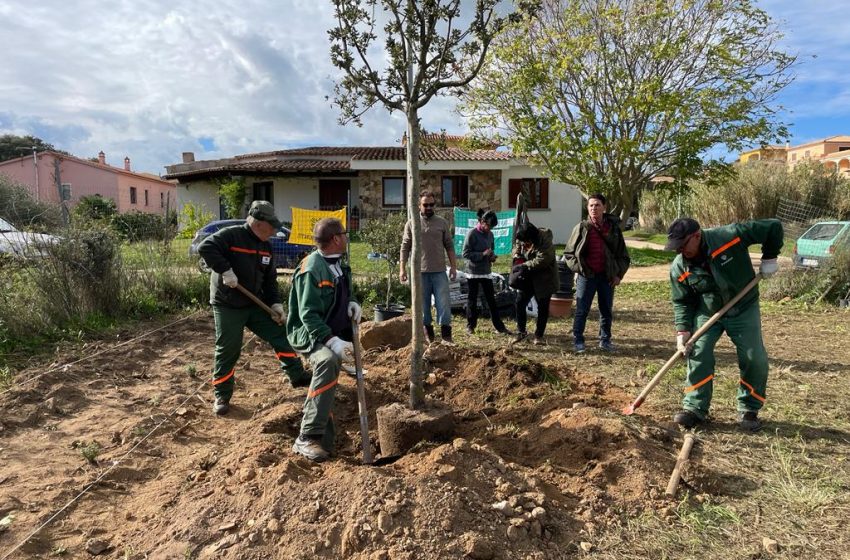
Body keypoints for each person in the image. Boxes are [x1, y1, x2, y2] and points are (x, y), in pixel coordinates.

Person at [665, 217, 783, 432]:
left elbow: (773, 227)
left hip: (743, 306)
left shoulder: (728, 236)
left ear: (697, 236)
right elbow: (682, 301)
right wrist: (683, 331)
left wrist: (770, 257)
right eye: (676, 247)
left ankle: (749, 409)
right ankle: (695, 408)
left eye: (683, 245)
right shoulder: (680, 266)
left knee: (753, 357)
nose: (680, 251)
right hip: (708, 311)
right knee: (698, 352)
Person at [198, 200, 308, 416]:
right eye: (271, 227)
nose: (274, 231)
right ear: (259, 224)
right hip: (228, 302)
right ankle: (222, 394)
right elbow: (206, 247)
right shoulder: (232, 235)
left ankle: (297, 375)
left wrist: (275, 303)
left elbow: (269, 280)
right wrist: (225, 270)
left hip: (254, 301)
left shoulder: (266, 246)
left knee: (280, 334)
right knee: (229, 348)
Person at [287, 217, 362, 462]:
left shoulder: (337, 263)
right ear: (336, 239)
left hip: (330, 327)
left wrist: (352, 302)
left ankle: (326, 443)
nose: (347, 238)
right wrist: (331, 341)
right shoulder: (311, 269)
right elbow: (307, 316)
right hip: (309, 331)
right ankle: (306, 437)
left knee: (336, 366)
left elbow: (344, 290)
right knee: (328, 362)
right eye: (344, 234)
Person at [563, 193, 630, 353]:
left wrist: (618, 275)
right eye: (591, 205)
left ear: (604, 208)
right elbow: (569, 254)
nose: (594, 208)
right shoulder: (581, 228)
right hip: (587, 276)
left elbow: (623, 255)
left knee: (606, 310)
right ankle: (578, 340)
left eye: (597, 205)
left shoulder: (613, 229)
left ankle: (605, 340)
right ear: (587, 208)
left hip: (607, 277)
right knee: (582, 310)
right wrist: (580, 269)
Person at [400, 190, 458, 344]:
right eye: (425, 205)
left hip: (439, 271)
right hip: (419, 273)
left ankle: (446, 335)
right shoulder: (412, 223)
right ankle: (428, 336)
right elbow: (405, 247)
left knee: (444, 303)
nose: (429, 207)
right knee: (422, 305)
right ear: (419, 205)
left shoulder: (442, 222)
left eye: (432, 204)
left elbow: (449, 246)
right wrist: (402, 269)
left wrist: (453, 267)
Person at [462, 209, 513, 336]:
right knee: (472, 300)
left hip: (486, 271)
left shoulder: (490, 235)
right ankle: (470, 326)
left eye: (492, 227)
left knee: (491, 300)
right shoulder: (472, 233)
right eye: (488, 226)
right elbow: (465, 253)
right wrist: (482, 254)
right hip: (473, 272)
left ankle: (499, 327)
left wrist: (492, 256)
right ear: (482, 221)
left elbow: (491, 249)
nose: (489, 229)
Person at [512, 222, 559, 345]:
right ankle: (521, 331)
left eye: (526, 241)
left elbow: (544, 259)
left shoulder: (545, 239)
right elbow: (518, 244)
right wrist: (517, 255)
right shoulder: (523, 236)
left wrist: (524, 265)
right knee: (519, 302)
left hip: (544, 278)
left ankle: (538, 335)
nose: (525, 243)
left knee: (542, 307)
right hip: (527, 277)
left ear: (531, 238)